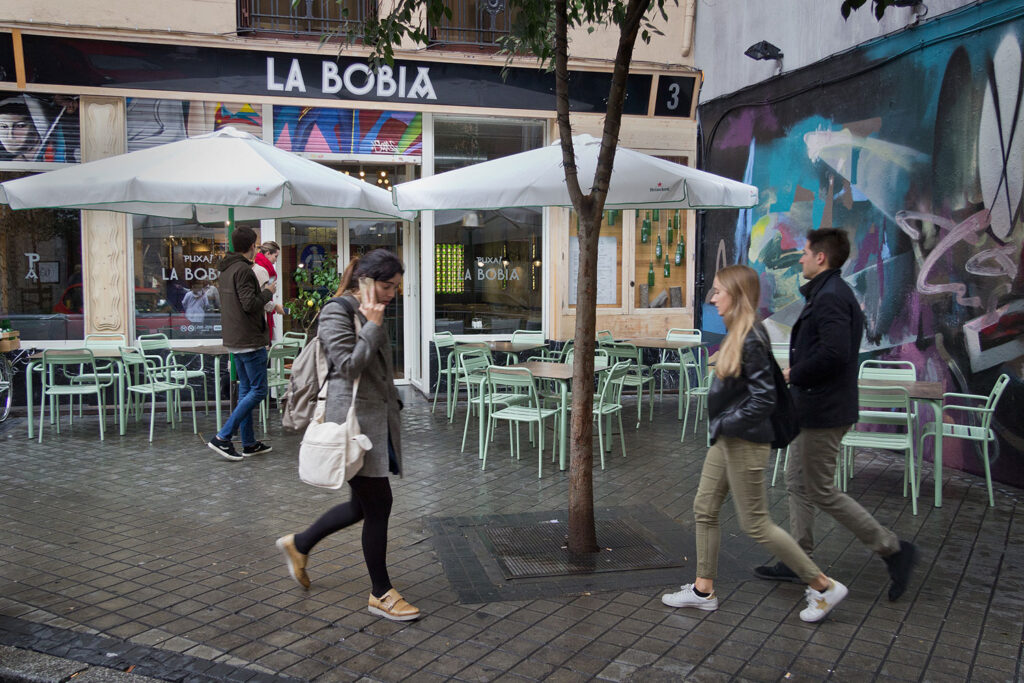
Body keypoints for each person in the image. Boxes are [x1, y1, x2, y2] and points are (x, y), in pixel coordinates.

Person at [662, 265, 848, 623]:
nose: (712, 297)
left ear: (737, 294)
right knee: (704, 506)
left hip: (745, 441)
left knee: (755, 523)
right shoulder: (738, 332)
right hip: (728, 438)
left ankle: (823, 586)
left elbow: (764, 399)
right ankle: (703, 590)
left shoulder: (750, 337)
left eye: (718, 291)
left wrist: (726, 422)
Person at [754, 228, 916, 601]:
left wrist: (795, 372)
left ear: (821, 257)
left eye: (806, 252)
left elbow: (835, 353)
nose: (801, 258)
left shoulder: (829, 297)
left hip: (824, 410)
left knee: (821, 489)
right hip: (813, 409)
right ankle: (798, 559)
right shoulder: (829, 293)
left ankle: (892, 548)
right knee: (797, 481)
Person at [275, 249, 419, 622]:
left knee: (363, 506)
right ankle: (381, 593)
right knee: (379, 504)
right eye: (387, 285)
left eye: (396, 287)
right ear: (365, 281)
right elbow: (349, 366)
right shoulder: (336, 311)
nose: (392, 293)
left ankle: (300, 544)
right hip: (352, 425)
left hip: (375, 421)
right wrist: (371, 324)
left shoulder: (372, 310)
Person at [207, 226, 275, 461]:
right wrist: (268, 292)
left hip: (235, 339)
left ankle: (248, 443)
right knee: (259, 390)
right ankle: (223, 437)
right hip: (249, 339)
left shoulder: (226, 269)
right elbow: (249, 304)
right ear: (252, 245)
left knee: (246, 390)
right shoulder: (244, 271)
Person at [252, 241, 285, 343]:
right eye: (276, 256)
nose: (275, 261)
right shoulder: (262, 271)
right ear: (268, 254)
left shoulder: (260, 268)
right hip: (260, 319)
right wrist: (275, 307)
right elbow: (261, 298)